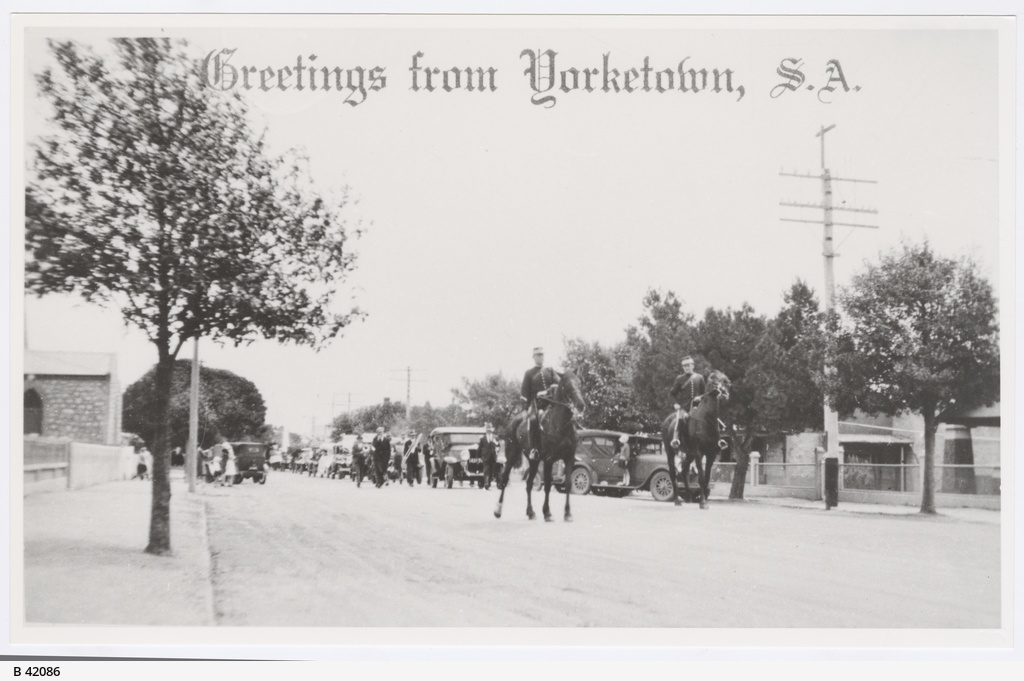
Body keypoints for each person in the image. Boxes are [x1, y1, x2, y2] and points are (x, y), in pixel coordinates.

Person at [520, 346, 560, 461]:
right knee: (532, 420)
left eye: (542, 355)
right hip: (536, 404)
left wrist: (552, 388)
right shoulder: (529, 373)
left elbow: (559, 383)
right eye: (538, 355)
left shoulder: (550, 371)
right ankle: (534, 449)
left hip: (550, 404)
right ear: (533, 357)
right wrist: (524, 409)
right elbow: (524, 393)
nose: (540, 357)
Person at [669, 355, 706, 447]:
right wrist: (675, 404)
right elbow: (671, 394)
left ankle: (718, 440)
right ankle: (676, 439)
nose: (686, 367)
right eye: (684, 366)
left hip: (698, 407)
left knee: (713, 418)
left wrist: (700, 397)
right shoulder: (679, 379)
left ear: (693, 365)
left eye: (688, 365)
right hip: (684, 408)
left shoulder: (700, 377)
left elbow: (704, 394)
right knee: (679, 419)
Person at [478, 423, 500, 490]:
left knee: (491, 471)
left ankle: (489, 483)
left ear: (491, 430)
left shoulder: (495, 437)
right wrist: (479, 457)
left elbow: (498, 446)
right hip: (485, 457)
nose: (489, 431)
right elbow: (479, 448)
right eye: (487, 430)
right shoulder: (482, 438)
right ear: (486, 431)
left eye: (490, 430)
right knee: (486, 470)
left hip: (493, 456)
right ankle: (486, 483)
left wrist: (497, 447)